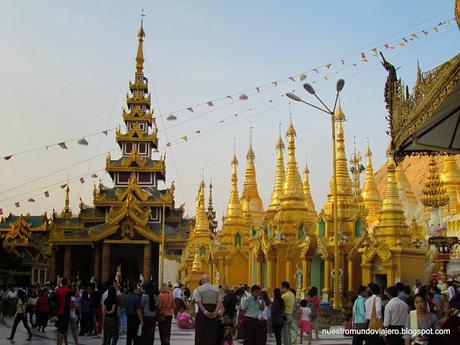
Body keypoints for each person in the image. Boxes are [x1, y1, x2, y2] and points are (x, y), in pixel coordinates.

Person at [193, 274, 222, 345]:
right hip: (213, 312)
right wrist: (215, 312)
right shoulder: (216, 289)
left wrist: (205, 312)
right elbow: (220, 301)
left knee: (201, 333)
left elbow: (198, 302)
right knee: (212, 333)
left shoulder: (198, 289)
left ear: (202, 280)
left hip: (202, 314)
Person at [56, 278, 73, 345]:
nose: (70, 283)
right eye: (69, 282)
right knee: (62, 330)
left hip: (58, 311)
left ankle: (64, 343)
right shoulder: (68, 291)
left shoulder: (58, 289)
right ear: (67, 283)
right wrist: (77, 286)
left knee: (61, 329)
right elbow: (73, 303)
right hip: (65, 312)